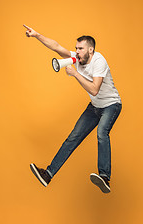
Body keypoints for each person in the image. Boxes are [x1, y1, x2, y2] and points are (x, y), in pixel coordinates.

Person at [23, 24, 122, 193]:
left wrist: (75, 74)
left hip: (111, 105)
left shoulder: (99, 61)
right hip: (95, 107)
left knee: (102, 132)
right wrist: (37, 35)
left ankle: (105, 177)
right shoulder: (77, 59)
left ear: (90, 50)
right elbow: (56, 46)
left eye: (80, 48)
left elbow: (94, 89)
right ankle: (48, 174)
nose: (76, 51)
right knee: (73, 138)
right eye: (76, 48)